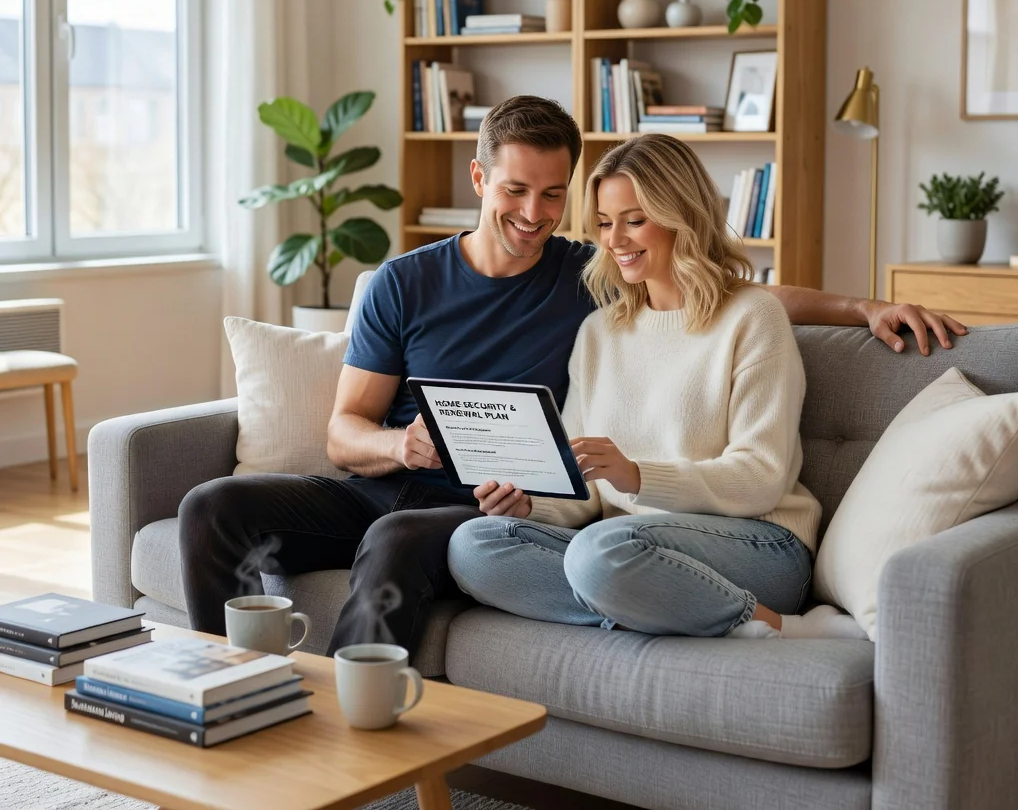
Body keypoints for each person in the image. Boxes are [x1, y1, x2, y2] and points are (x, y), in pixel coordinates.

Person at [178, 96, 965, 656]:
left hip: (505, 511)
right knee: (214, 507)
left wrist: (858, 305)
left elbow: (721, 291)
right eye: (515, 191)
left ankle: (356, 737)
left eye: (554, 195)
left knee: (456, 543)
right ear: (480, 180)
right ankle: (219, 683)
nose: (534, 212)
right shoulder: (431, 286)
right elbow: (344, 433)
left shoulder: (587, 275)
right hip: (417, 490)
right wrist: (399, 444)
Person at [448, 133, 869, 639]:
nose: (614, 240)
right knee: (474, 545)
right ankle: (664, 609)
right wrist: (529, 504)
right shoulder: (599, 334)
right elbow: (583, 489)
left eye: (634, 220)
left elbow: (762, 477)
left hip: (760, 543)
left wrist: (638, 477)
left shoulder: (753, 318)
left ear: (681, 216)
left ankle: (779, 624)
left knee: (600, 551)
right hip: (625, 546)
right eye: (604, 223)